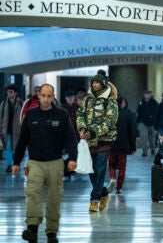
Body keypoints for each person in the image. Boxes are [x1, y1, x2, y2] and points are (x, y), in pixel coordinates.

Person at [12, 83, 77, 243]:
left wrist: (73, 159)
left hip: (55, 162)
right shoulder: (31, 114)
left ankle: (52, 233)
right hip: (34, 163)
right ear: (38, 96)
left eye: (49, 96)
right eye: (43, 96)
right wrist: (16, 162)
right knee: (33, 194)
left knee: (54, 198)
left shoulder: (62, 115)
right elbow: (22, 140)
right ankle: (32, 228)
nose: (46, 99)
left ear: (53, 97)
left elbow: (71, 138)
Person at [76, 69, 118, 212]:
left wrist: (93, 132)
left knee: (100, 168)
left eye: (97, 83)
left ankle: (94, 199)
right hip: (89, 140)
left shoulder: (110, 101)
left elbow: (110, 121)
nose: (94, 85)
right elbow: (80, 114)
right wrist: (82, 129)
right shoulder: (87, 99)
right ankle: (104, 193)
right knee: (91, 169)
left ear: (103, 84)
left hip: (105, 139)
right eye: (93, 82)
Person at [107, 97, 137, 195]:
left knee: (111, 164)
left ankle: (112, 178)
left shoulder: (109, 114)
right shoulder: (128, 114)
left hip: (111, 145)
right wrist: (133, 147)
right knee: (122, 167)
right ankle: (119, 188)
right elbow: (132, 132)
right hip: (123, 146)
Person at [0, 85, 23, 172]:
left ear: (15, 93)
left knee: (17, 148)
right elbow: (0, 117)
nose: (9, 94)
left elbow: (24, 116)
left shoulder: (20, 102)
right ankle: (9, 165)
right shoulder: (3, 104)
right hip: (7, 130)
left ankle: (16, 164)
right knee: (8, 147)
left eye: (11, 92)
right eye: (8, 92)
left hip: (17, 130)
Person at [136, 90, 158, 157]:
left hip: (152, 123)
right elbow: (138, 113)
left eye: (149, 94)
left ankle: (153, 150)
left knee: (152, 138)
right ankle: (144, 151)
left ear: (151, 95)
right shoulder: (141, 103)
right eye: (146, 94)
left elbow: (157, 113)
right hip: (143, 123)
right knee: (144, 138)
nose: (148, 95)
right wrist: (138, 122)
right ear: (144, 95)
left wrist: (156, 124)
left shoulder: (155, 103)